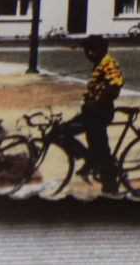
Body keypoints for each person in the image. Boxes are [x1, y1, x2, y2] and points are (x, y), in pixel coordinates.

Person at [50, 35, 124, 194]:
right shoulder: (98, 64)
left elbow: (115, 84)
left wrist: (97, 103)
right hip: (92, 112)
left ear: (102, 49)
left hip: (100, 112)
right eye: (87, 50)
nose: (90, 53)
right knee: (62, 132)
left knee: (101, 149)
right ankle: (90, 159)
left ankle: (110, 187)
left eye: (93, 50)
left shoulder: (107, 62)